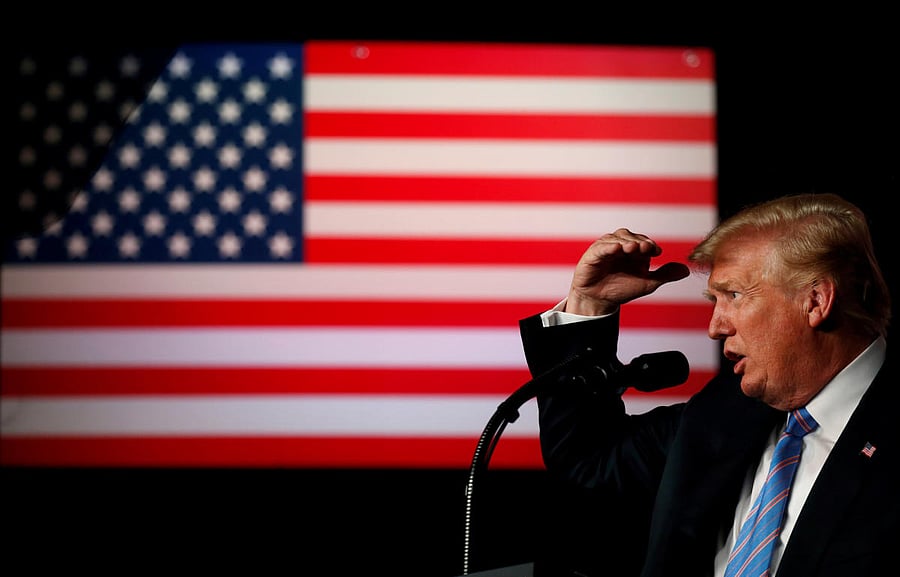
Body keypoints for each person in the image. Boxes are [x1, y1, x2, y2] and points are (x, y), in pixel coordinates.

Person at [519, 193, 898, 577]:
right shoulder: (722, 411)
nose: (715, 328)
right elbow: (588, 460)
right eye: (714, 300)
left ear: (816, 300)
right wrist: (587, 306)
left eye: (734, 295)